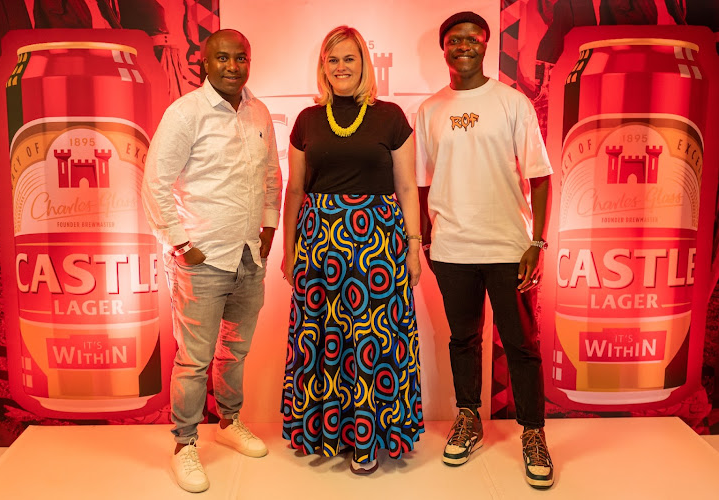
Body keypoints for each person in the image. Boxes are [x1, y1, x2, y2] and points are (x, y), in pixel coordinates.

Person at [415, 12, 554, 489]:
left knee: (521, 343)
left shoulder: (511, 103)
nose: (464, 46)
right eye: (454, 40)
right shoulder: (430, 110)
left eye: (473, 39)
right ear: (444, 48)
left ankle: (533, 434)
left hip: (508, 245)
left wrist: (536, 241)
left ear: (485, 45)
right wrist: (427, 240)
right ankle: (469, 418)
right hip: (452, 247)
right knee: (463, 340)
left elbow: (539, 176)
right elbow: (419, 184)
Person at [142, 29, 281, 493]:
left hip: (248, 257)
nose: (233, 66)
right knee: (194, 360)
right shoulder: (186, 113)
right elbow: (155, 184)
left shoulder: (259, 111)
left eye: (241, 57)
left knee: (235, 351)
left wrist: (267, 231)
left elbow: (271, 176)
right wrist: (182, 244)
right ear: (204, 62)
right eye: (222, 58)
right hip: (203, 259)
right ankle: (185, 445)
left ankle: (229, 422)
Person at [280, 25, 424, 475]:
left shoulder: (392, 116)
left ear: (364, 64)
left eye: (349, 59)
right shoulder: (307, 120)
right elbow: (296, 188)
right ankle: (325, 433)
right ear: (323, 67)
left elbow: (406, 186)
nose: (341, 67)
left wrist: (415, 247)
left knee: (373, 342)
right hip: (319, 242)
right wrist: (288, 250)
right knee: (321, 340)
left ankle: (371, 439)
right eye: (332, 60)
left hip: (378, 242)